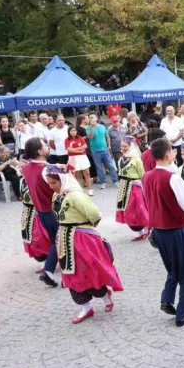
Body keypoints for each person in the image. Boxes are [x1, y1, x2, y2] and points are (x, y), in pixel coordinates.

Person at [44, 164, 124, 324]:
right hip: (64, 239)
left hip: (81, 238)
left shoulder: (75, 196)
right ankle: (85, 307)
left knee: (89, 270)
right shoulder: (56, 196)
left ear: (64, 180)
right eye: (49, 183)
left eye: (54, 183)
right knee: (71, 274)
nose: (51, 186)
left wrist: (85, 230)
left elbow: (94, 214)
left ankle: (104, 296)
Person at [142, 138, 184, 327]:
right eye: (173, 151)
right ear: (167, 155)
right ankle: (182, 313)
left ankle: (166, 299)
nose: (174, 154)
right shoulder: (173, 176)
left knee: (172, 268)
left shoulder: (147, 176)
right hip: (176, 229)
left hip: (158, 229)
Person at [22, 138, 60, 287]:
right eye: (45, 146)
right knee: (61, 241)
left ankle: (50, 270)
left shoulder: (27, 168)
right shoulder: (47, 168)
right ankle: (50, 271)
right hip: (52, 210)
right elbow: (60, 185)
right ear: (39, 151)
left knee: (54, 241)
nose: (48, 147)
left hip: (40, 212)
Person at [115, 136, 150, 241]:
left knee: (136, 209)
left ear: (130, 147)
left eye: (125, 146)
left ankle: (146, 228)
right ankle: (138, 231)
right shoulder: (121, 158)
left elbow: (142, 174)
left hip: (134, 186)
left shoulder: (136, 159)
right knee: (126, 209)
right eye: (122, 146)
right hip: (123, 185)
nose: (123, 148)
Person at [19, 176, 51, 263]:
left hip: (39, 212)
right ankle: (47, 261)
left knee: (42, 238)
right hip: (28, 213)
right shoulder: (22, 180)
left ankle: (49, 262)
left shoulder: (40, 177)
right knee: (32, 239)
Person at [87, 114, 118, 190]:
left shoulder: (102, 126)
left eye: (92, 117)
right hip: (95, 150)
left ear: (96, 118)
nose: (91, 119)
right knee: (99, 167)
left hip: (104, 149)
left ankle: (115, 180)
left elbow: (107, 136)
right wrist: (92, 127)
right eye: (90, 118)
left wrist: (109, 145)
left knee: (110, 165)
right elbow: (90, 137)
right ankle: (102, 182)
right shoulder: (88, 128)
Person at [64, 126, 93, 196]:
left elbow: (85, 146)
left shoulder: (80, 138)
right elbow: (69, 149)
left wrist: (75, 150)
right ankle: (81, 191)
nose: (73, 132)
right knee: (78, 175)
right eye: (71, 131)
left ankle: (90, 189)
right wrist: (79, 151)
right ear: (69, 132)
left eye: (74, 130)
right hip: (73, 158)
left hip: (82, 157)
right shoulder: (67, 140)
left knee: (87, 173)